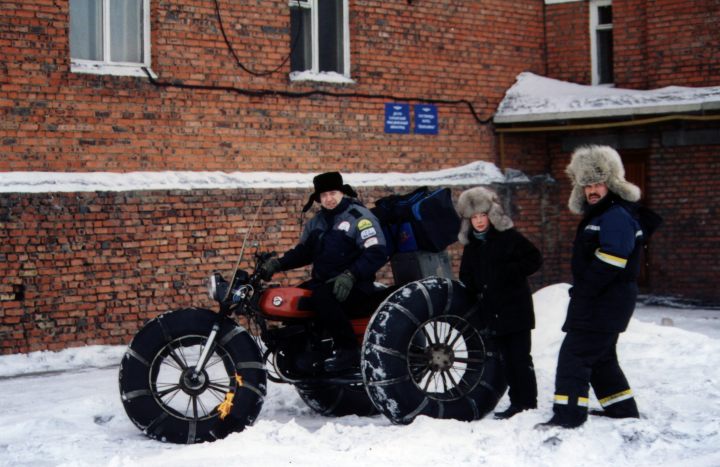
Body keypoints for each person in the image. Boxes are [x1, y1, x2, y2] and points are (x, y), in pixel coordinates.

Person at [539, 145, 662, 429]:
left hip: (604, 301)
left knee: (575, 355)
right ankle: (622, 408)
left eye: (597, 183)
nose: (592, 190)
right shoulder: (603, 214)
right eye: (586, 185)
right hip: (605, 301)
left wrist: (585, 290)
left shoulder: (615, 215)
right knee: (602, 358)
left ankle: (568, 415)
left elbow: (613, 259)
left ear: (611, 183)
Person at [257, 171, 388, 372]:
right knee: (297, 298)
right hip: (324, 282)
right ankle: (311, 350)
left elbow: (377, 252)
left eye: (333, 193)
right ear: (318, 198)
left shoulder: (359, 217)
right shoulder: (317, 222)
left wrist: (351, 275)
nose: (329, 199)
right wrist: (277, 264)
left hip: (355, 284)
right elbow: (303, 253)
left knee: (322, 298)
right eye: (324, 195)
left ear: (342, 193)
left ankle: (349, 350)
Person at [457, 187, 543, 419]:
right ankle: (518, 402)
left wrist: (510, 273)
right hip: (492, 311)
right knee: (505, 359)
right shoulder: (472, 246)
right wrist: (477, 286)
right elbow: (465, 275)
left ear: (491, 215)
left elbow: (534, 259)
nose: (479, 221)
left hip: (515, 308)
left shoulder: (508, 237)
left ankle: (527, 402)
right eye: (474, 217)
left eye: (482, 215)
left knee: (520, 357)